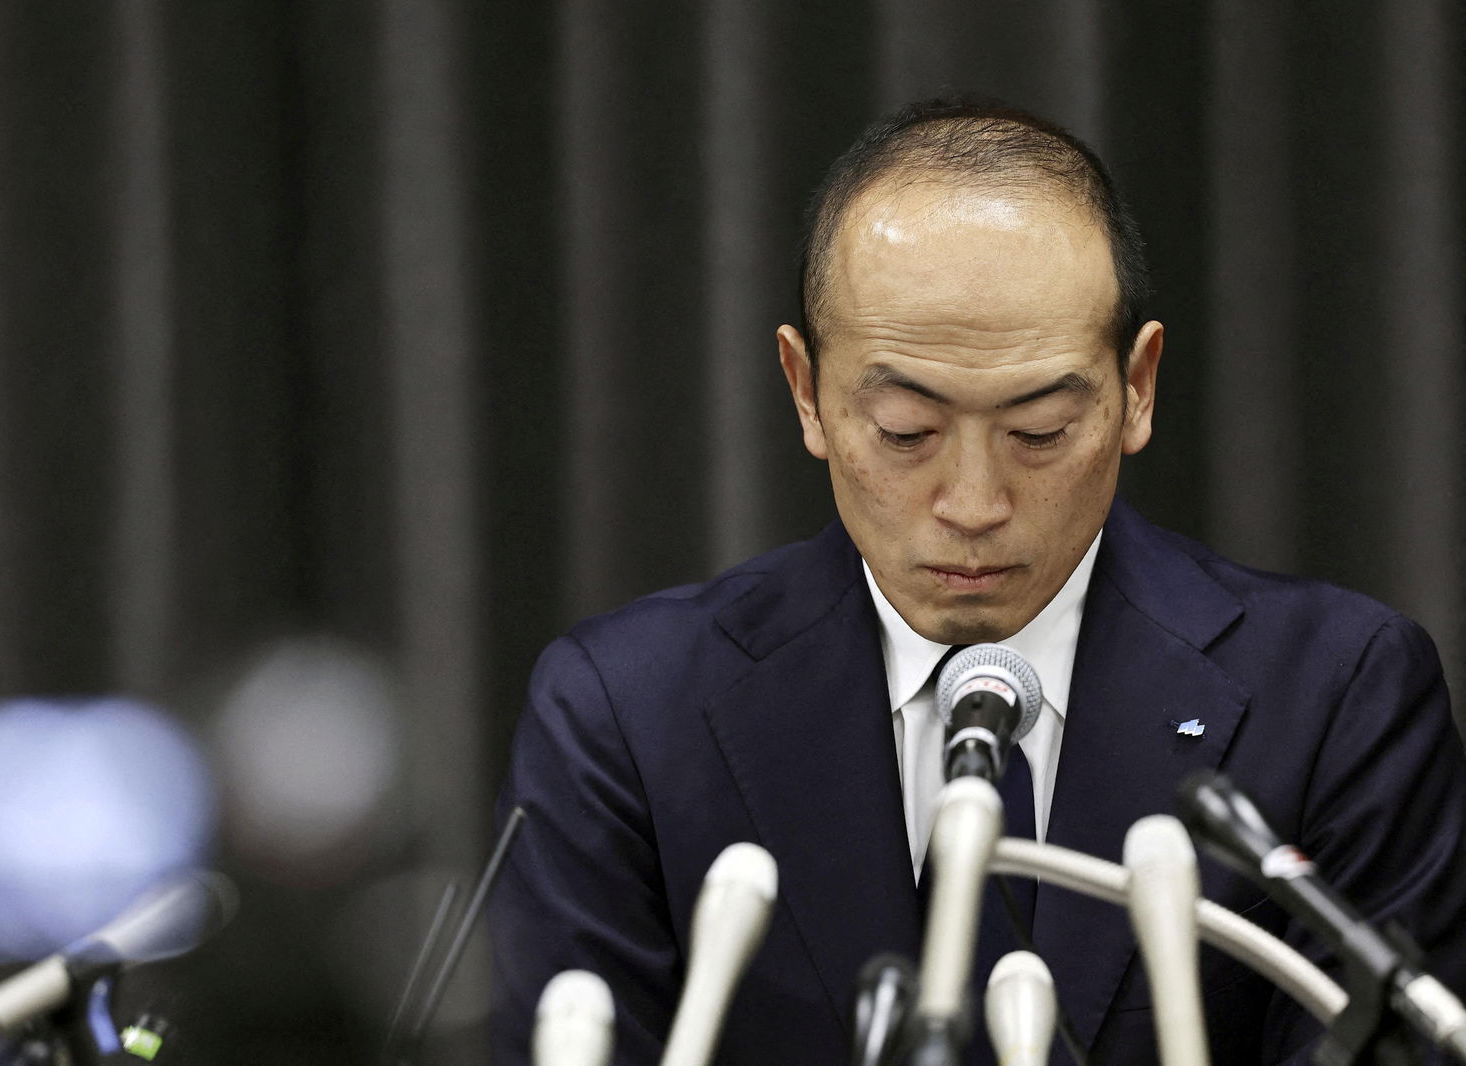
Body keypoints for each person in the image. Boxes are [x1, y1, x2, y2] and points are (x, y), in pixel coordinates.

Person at [489, 98, 1466, 1065]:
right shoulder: (628, 714)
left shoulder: (1336, 696)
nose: (971, 500)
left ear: (1138, 387)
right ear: (806, 393)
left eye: (1038, 432)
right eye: (906, 432)